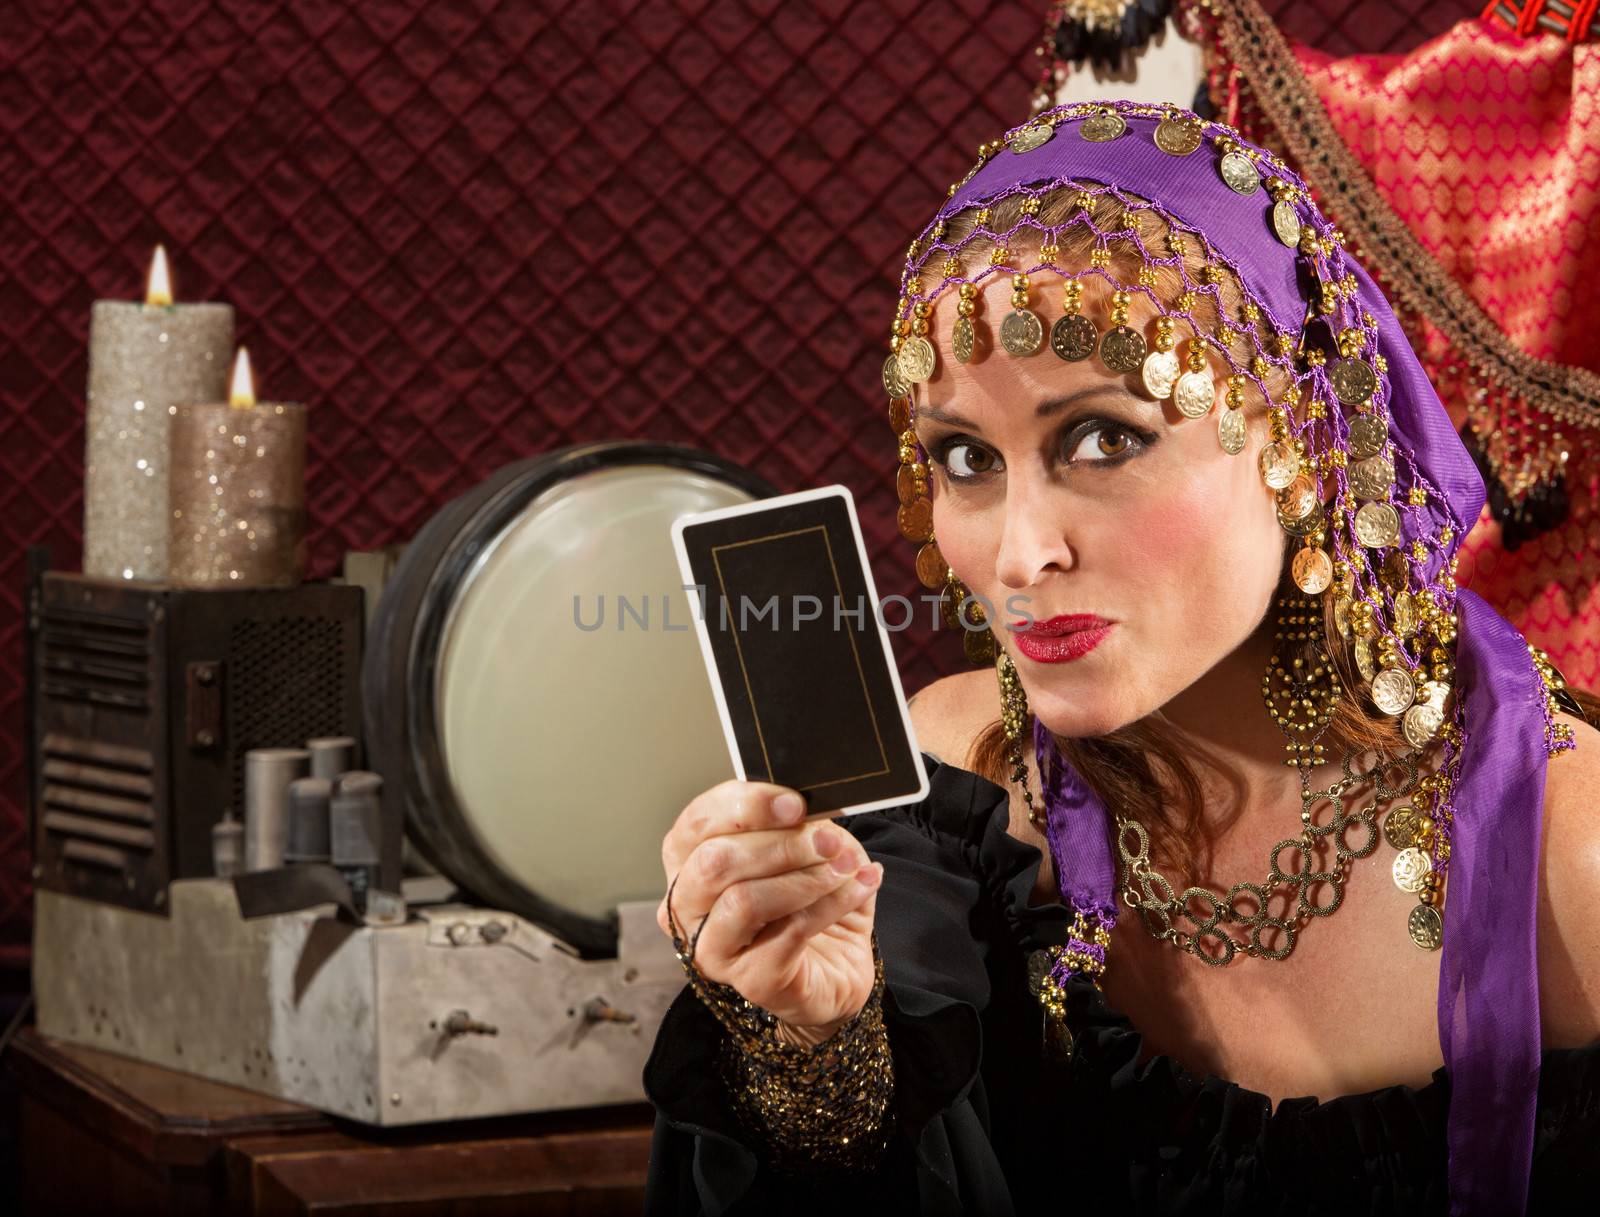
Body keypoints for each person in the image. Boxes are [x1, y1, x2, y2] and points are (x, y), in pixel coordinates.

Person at [641, 101, 1600, 1216]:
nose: (1019, 552)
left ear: (1300, 442)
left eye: (1103, 439)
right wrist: (810, 1047)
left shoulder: (1566, 857)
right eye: (965, 457)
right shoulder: (958, 787)